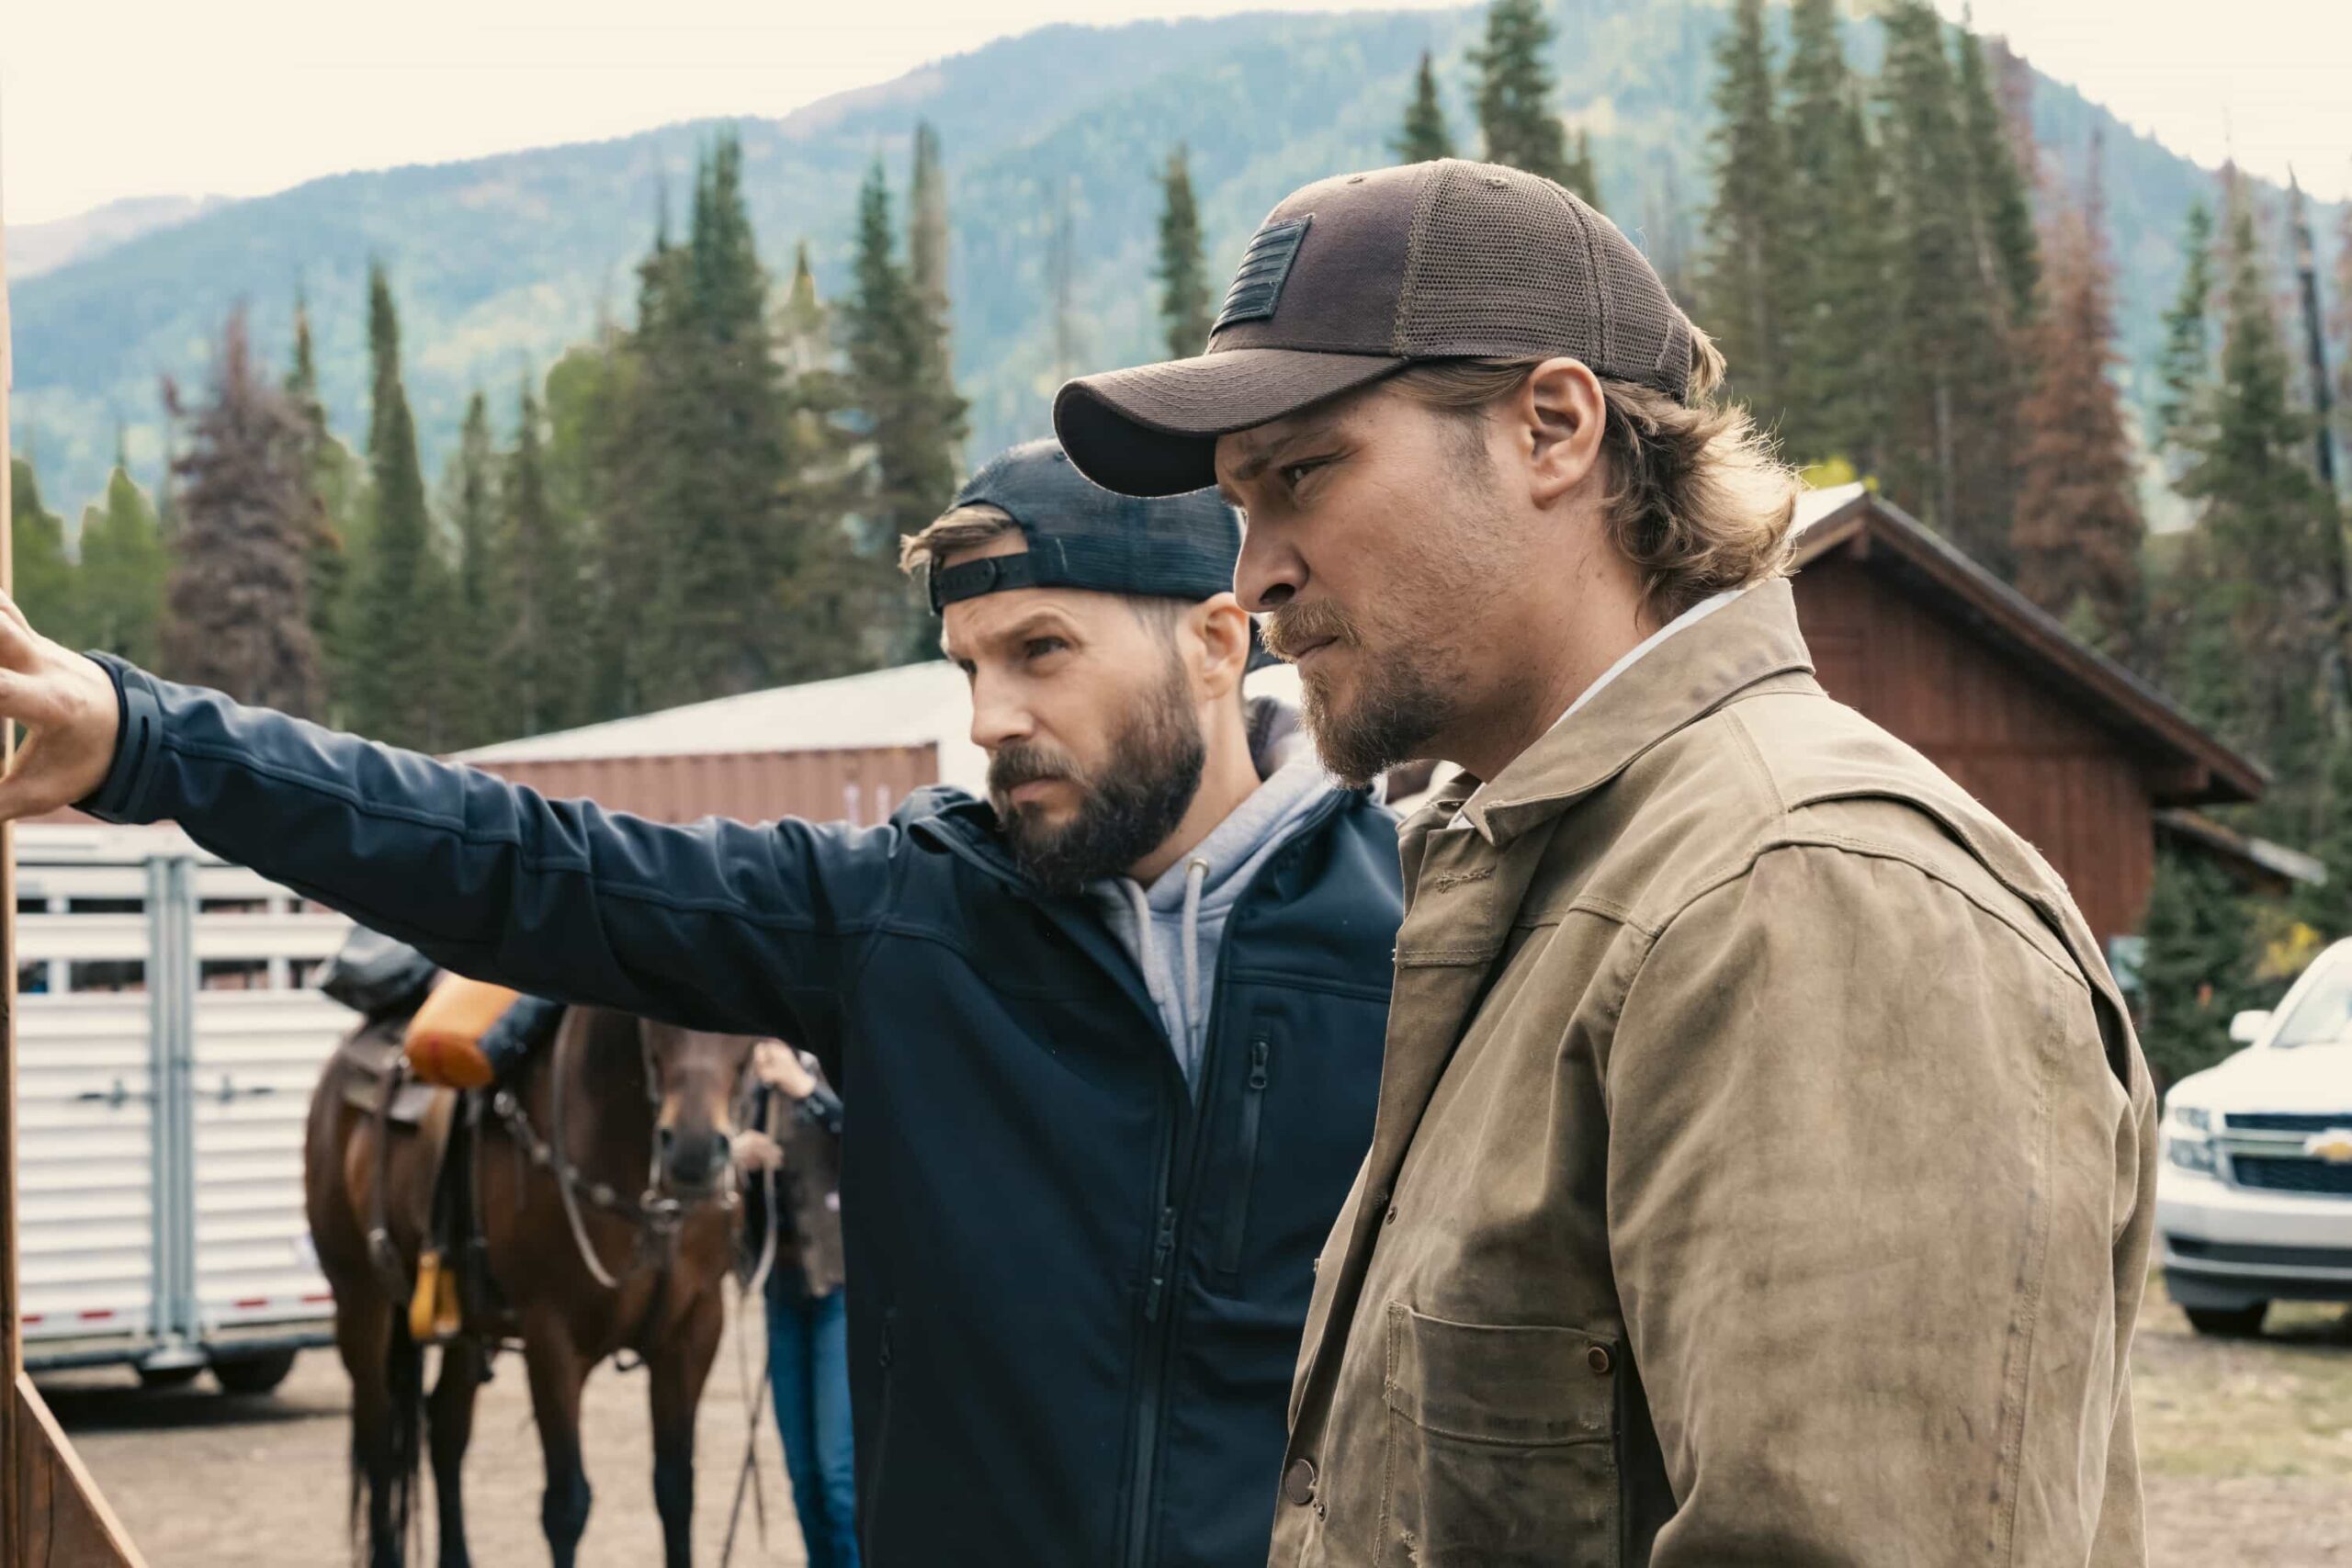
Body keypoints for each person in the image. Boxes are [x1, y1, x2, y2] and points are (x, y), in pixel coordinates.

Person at [0, 440, 1403, 1568]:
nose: (988, 716)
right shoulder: (897, 923)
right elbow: (519, 862)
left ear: (1221, 643)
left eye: (1042, 649)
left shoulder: (1419, 933)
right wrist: (147, 740)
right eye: (968, 664)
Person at [1055, 158, 2156, 1565]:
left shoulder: (1802, 893)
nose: (1254, 569)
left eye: (1304, 473)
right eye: (1238, 505)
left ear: (1554, 428)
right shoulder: (1544, 873)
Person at [736, 1042, 857, 1568]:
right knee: (802, 1475)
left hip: (837, 1289)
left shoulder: (833, 1068)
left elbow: (875, 1141)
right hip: (780, 1291)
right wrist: (735, 1149)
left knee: (836, 1474)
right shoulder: (749, 1086)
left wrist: (804, 1089)